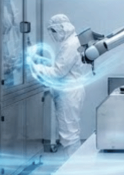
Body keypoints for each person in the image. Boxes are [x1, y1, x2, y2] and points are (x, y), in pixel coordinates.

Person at [33, 14, 90, 149]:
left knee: (68, 136)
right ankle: (72, 161)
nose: (52, 35)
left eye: (53, 31)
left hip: (69, 94)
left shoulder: (70, 45)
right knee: (71, 132)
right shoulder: (73, 41)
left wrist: (35, 67)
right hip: (72, 91)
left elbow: (58, 72)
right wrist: (44, 63)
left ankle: (72, 162)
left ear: (62, 28)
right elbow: (63, 66)